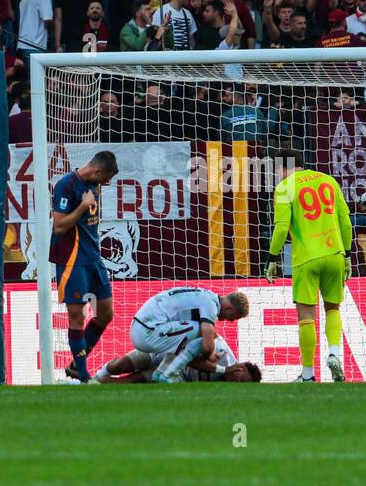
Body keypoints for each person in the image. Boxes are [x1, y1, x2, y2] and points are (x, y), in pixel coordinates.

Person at [265, 149, 353, 382]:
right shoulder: (328, 180)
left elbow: (282, 228)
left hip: (306, 259)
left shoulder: (285, 188)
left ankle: (308, 375)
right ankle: (334, 353)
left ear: (284, 168)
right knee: (333, 309)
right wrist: (347, 254)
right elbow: (345, 220)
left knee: (306, 317)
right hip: (335, 252)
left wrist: (272, 258)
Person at [52, 150, 120, 382]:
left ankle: (75, 366)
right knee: (77, 317)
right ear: (98, 170)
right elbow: (59, 227)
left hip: (94, 258)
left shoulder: (95, 184)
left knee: (105, 314)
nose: (108, 183)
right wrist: (82, 207)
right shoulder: (66, 186)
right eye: (107, 177)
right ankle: (82, 374)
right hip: (72, 260)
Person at [93, 286, 250, 384]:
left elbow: (192, 358)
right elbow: (208, 345)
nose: (230, 321)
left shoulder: (206, 296)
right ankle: (166, 374)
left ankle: (91, 382)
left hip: (156, 335)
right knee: (202, 331)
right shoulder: (210, 306)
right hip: (150, 332)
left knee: (125, 374)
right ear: (229, 308)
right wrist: (210, 354)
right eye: (233, 317)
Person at [97, 335, 262, 383]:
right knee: (121, 365)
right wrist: (220, 370)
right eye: (240, 380)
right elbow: (188, 358)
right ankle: (99, 374)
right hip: (167, 350)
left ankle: (92, 385)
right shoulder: (221, 353)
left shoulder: (223, 390)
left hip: (175, 373)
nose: (236, 384)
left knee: (130, 381)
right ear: (240, 367)